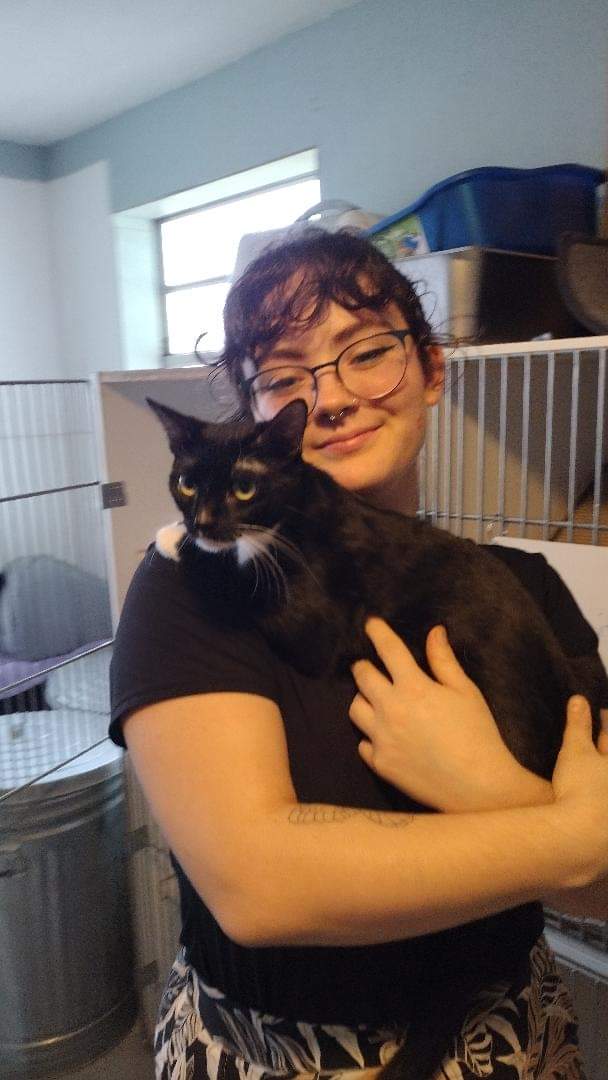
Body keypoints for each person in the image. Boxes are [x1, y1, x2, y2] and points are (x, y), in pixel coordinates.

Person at [109, 229, 608, 1080]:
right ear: (259, 417)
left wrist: (487, 787)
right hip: (272, 1053)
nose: (329, 398)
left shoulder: (525, 585)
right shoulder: (193, 588)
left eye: (365, 352)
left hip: (511, 1040)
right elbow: (260, 888)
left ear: (433, 370)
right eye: (283, 375)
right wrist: (565, 833)